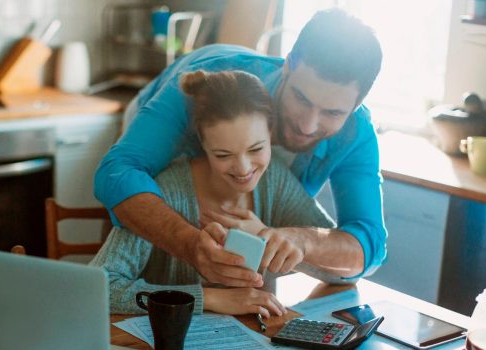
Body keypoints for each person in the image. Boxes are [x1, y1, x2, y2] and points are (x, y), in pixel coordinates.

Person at [94, 9, 385, 288]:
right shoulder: (208, 87)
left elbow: (369, 246)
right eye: (301, 98)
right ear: (288, 63)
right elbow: (117, 174)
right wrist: (189, 244)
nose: (308, 126)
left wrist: (303, 240)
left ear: (356, 105)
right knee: (135, 244)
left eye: (333, 113)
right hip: (162, 116)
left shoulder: (357, 134)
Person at [90, 70, 335, 316]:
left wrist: (291, 243)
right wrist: (207, 298)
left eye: (256, 149)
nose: (243, 169)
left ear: (271, 132)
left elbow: (339, 271)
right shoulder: (165, 190)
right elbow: (100, 286)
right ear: (203, 144)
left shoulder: (275, 180)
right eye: (223, 155)